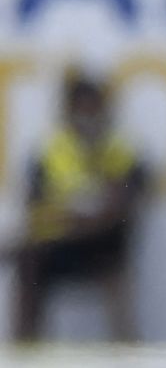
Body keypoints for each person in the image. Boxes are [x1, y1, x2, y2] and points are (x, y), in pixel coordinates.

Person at [11, 70, 147, 343]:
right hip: (60, 245)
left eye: (92, 108)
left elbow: (123, 209)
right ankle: (24, 350)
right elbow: (34, 209)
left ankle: (128, 352)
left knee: (113, 248)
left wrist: (74, 219)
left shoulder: (120, 150)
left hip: (105, 246)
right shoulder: (50, 151)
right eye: (80, 108)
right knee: (28, 260)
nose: (86, 116)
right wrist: (82, 218)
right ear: (67, 110)